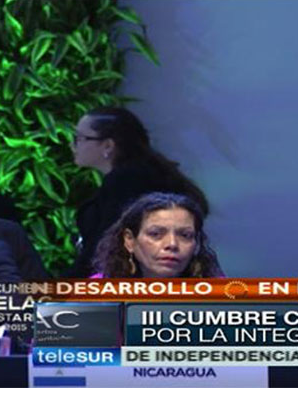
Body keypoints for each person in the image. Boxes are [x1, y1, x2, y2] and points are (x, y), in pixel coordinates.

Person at [68, 106, 209, 277]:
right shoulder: (142, 173)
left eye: (79, 138)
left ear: (108, 145)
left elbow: (103, 245)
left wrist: (66, 287)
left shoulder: (126, 181)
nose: (72, 145)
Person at [92, 193, 223, 278]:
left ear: (197, 243)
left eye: (185, 235)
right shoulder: (98, 291)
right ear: (129, 240)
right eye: (155, 234)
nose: (172, 244)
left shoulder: (220, 293)